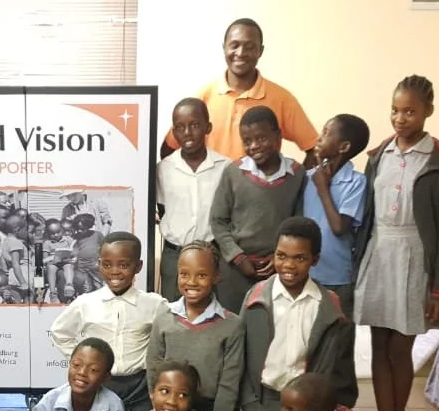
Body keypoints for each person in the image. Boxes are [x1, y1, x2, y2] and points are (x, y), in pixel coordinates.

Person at [353, 75, 439, 411]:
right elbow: (366, 214)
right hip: (380, 253)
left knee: (400, 349)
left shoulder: (438, 161)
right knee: (379, 344)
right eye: (395, 110)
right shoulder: (379, 154)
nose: (400, 118)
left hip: (415, 258)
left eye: (410, 111)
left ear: (428, 111)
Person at [239, 217, 357, 411]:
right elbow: (240, 356)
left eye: (299, 258)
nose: (288, 265)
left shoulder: (329, 307)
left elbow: (336, 369)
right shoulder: (255, 299)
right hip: (260, 402)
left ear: (315, 259)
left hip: (306, 409)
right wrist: (249, 404)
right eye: (281, 256)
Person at [161, 19, 317, 163]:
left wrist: (299, 182)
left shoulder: (282, 99)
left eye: (250, 46)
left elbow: (314, 149)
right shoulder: (205, 95)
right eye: (234, 45)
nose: (241, 53)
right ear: (224, 48)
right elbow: (169, 148)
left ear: (260, 51)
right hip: (212, 185)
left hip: (258, 185)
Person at [49, 232, 168, 411]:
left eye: (123, 265)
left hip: (140, 387)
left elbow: (169, 338)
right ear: (99, 265)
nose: (114, 271)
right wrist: (86, 362)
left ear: (138, 266)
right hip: (100, 384)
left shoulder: (154, 304)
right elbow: (59, 333)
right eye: (107, 264)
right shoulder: (85, 303)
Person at [209, 105, 307, 313]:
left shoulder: (297, 174)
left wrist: (279, 256)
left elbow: (298, 222)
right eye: (247, 141)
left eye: (261, 138)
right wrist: (238, 257)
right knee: (234, 322)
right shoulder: (233, 172)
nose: (254, 146)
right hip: (235, 269)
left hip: (277, 269)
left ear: (278, 136)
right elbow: (218, 221)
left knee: (270, 322)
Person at [145, 241, 242, 411]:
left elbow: (229, 383)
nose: (191, 282)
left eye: (202, 275)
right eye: (184, 274)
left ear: (216, 276)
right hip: (167, 408)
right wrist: (159, 410)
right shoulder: (164, 316)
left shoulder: (232, 325)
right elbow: (153, 367)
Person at [155, 98, 229, 301]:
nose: (187, 132)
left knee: (214, 312)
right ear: (174, 132)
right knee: (173, 312)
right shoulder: (163, 169)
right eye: (180, 127)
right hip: (175, 256)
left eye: (194, 125)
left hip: (213, 255)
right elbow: (163, 210)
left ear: (208, 127)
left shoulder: (225, 167)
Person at [302, 114, 370, 319]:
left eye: (326, 133)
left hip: (338, 278)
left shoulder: (356, 182)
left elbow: (339, 227)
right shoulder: (307, 178)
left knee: (339, 334)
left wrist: (323, 188)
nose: (319, 138)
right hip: (305, 274)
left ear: (344, 147)